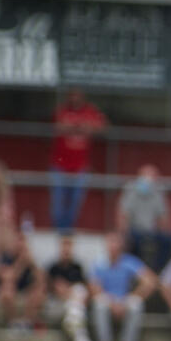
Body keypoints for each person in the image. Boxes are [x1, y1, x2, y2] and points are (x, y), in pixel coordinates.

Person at [50, 88, 106, 233]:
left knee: (75, 201)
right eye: (73, 95)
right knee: (58, 201)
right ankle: (58, 231)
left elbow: (102, 126)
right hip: (60, 165)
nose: (75, 98)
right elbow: (57, 126)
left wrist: (87, 127)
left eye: (78, 95)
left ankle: (68, 231)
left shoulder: (89, 111)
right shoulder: (63, 110)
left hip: (80, 166)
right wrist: (74, 126)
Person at [89, 230, 154, 341]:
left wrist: (133, 296)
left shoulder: (129, 261)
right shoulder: (99, 263)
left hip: (125, 298)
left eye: (116, 242)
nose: (113, 245)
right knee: (99, 303)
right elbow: (94, 288)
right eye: (110, 242)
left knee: (136, 305)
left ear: (121, 245)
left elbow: (150, 281)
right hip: (107, 299)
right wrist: (112, 304)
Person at [117, 164, 171, 272]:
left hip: (152, 231)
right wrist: (122, 233)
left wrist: (166, 231)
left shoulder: (158, 191)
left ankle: (158, 271)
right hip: (135, 229)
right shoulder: (131, 189)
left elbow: (163, 216)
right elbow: (123, 214)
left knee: (167, 241)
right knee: (132, 242)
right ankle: (137, 271)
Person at [45, 234, 94, 341]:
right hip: (57, 306)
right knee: (75, 306)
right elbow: (52, 291)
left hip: (72, 305)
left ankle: (78, 336)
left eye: (69, 245)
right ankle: (81, 339)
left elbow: (83, 292)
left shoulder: (77, 268)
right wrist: (67, 292)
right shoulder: (53, 268)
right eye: (64, 245)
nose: (66, 249)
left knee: (75, 303)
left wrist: (67, 291)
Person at [0, 228, 45, 331]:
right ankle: (13, 323)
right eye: (18, 240)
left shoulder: (30, 260)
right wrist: (21, 263)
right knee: (7, 290)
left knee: (38, 291)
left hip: (25, 291)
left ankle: (27, 323)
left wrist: (33, 265)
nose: (21, 244)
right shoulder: (5, 257)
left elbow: (41, 280)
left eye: (23, 241)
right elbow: (8, 278)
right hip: (7, 291)